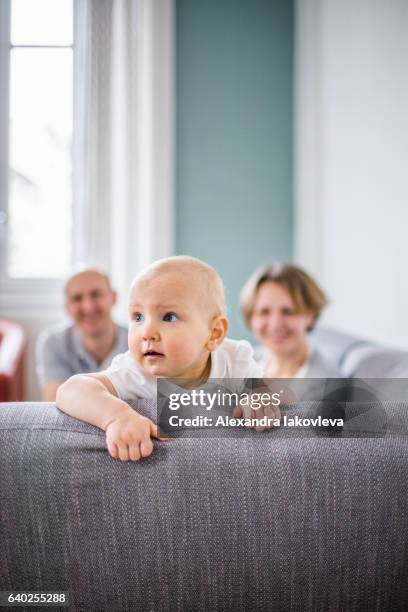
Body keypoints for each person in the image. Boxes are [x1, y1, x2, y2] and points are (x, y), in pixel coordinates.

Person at [57, 255, 269, 462]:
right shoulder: (133, 372)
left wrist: (258, 398)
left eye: (169, 317)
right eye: (138, 317)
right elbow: (71, 390)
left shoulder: (234, 359)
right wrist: (118, 417)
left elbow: (264, 391)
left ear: (214, 333)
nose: (147, 332)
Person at [36, 268, 128, 401]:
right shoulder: (52, 342)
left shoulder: (143, 340)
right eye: (77, 298)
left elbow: (167, 405)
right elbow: (54, 402)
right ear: (67, 307)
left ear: (113, 298)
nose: (88, 307)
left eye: (96, 294)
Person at [240, 263, 339, 378]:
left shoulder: (330, 384)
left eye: (288, 312)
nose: (275, 324)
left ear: (311, 315)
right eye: (264, 312)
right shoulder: (241, 365)